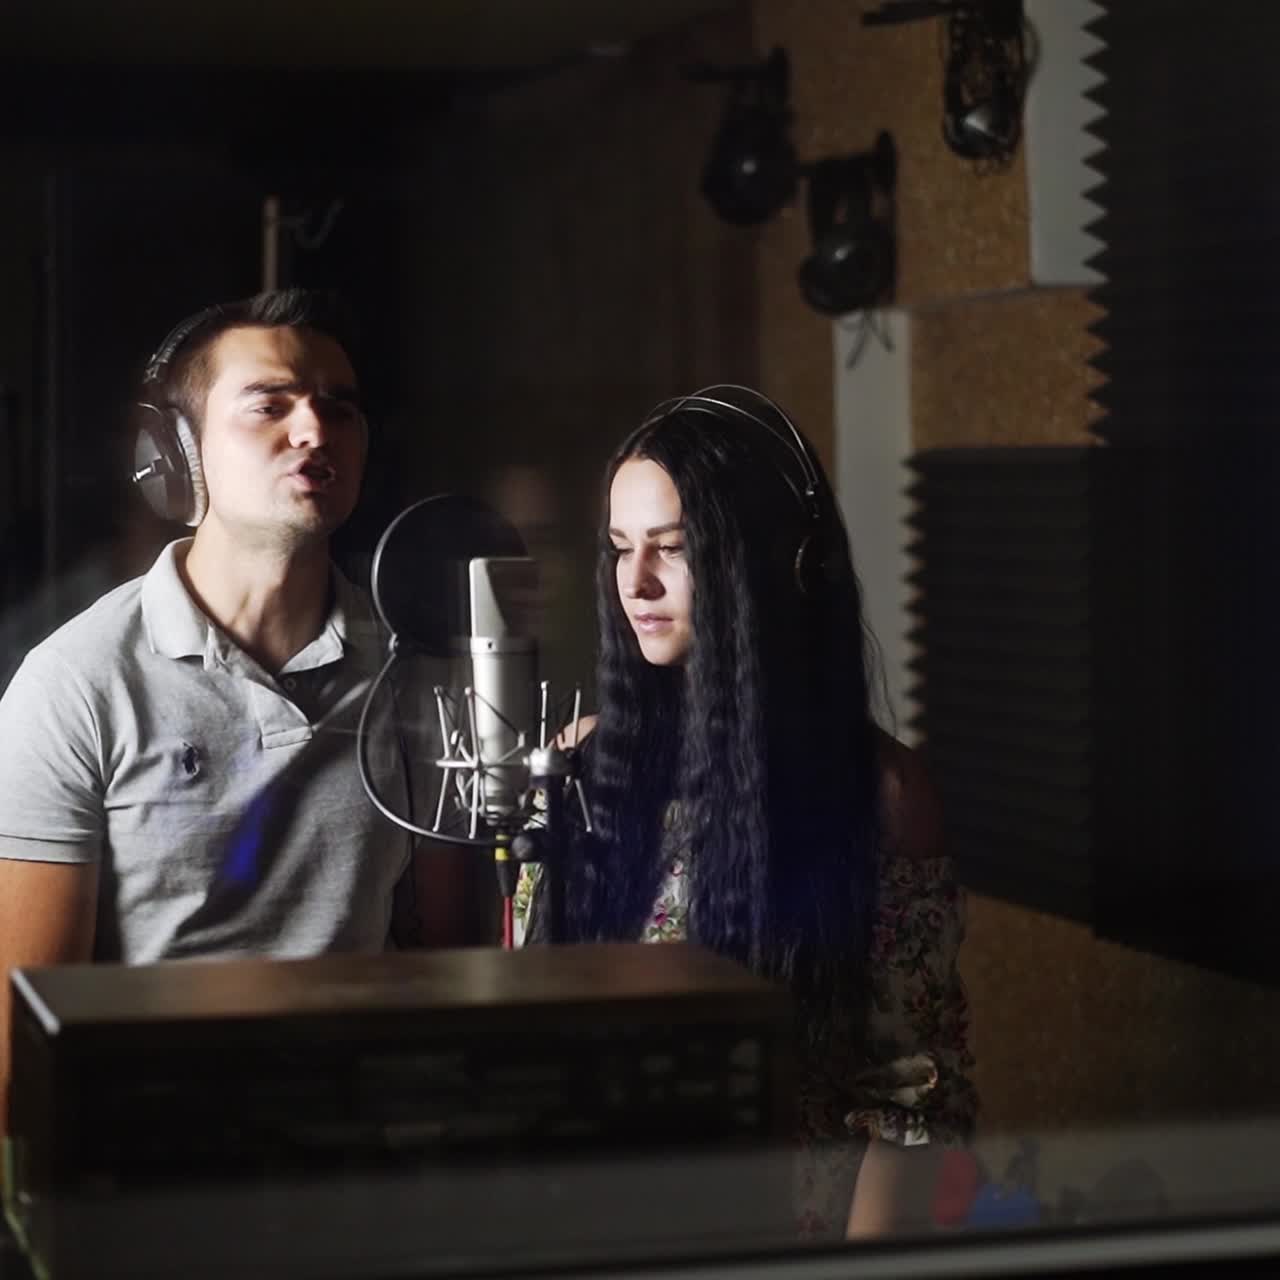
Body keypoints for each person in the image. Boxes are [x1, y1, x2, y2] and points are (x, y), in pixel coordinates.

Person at [0, 288, 481, 1131]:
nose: (314, 431)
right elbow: (20, 1043)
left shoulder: (418, 674)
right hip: (148, 1170)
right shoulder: (74, 683)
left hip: (367, 1159)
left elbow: (451, 960)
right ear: (172, 453)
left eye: (339, 408)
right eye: (271, 405)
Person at [517, 385, 977, 1240]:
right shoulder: (584, 761)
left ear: (778, 561)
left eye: (673, 547)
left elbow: (915, 1102)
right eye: (620, 548)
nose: (636, 581)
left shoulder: (881, 796)